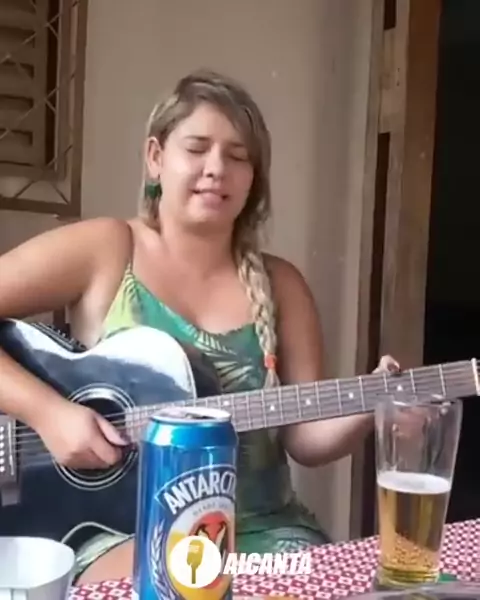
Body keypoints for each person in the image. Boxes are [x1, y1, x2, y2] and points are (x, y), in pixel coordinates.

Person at [0, 69, 399, 584]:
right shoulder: (106, 248)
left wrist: (373, 402)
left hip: (262, 530)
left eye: (238, 156)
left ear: (254, 178)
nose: (217, 169)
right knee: (179, 581)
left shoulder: (282, 284)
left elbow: (305, 439)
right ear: (155, 157)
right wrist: (48, 412)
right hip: (122, 529)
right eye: (197, 148)